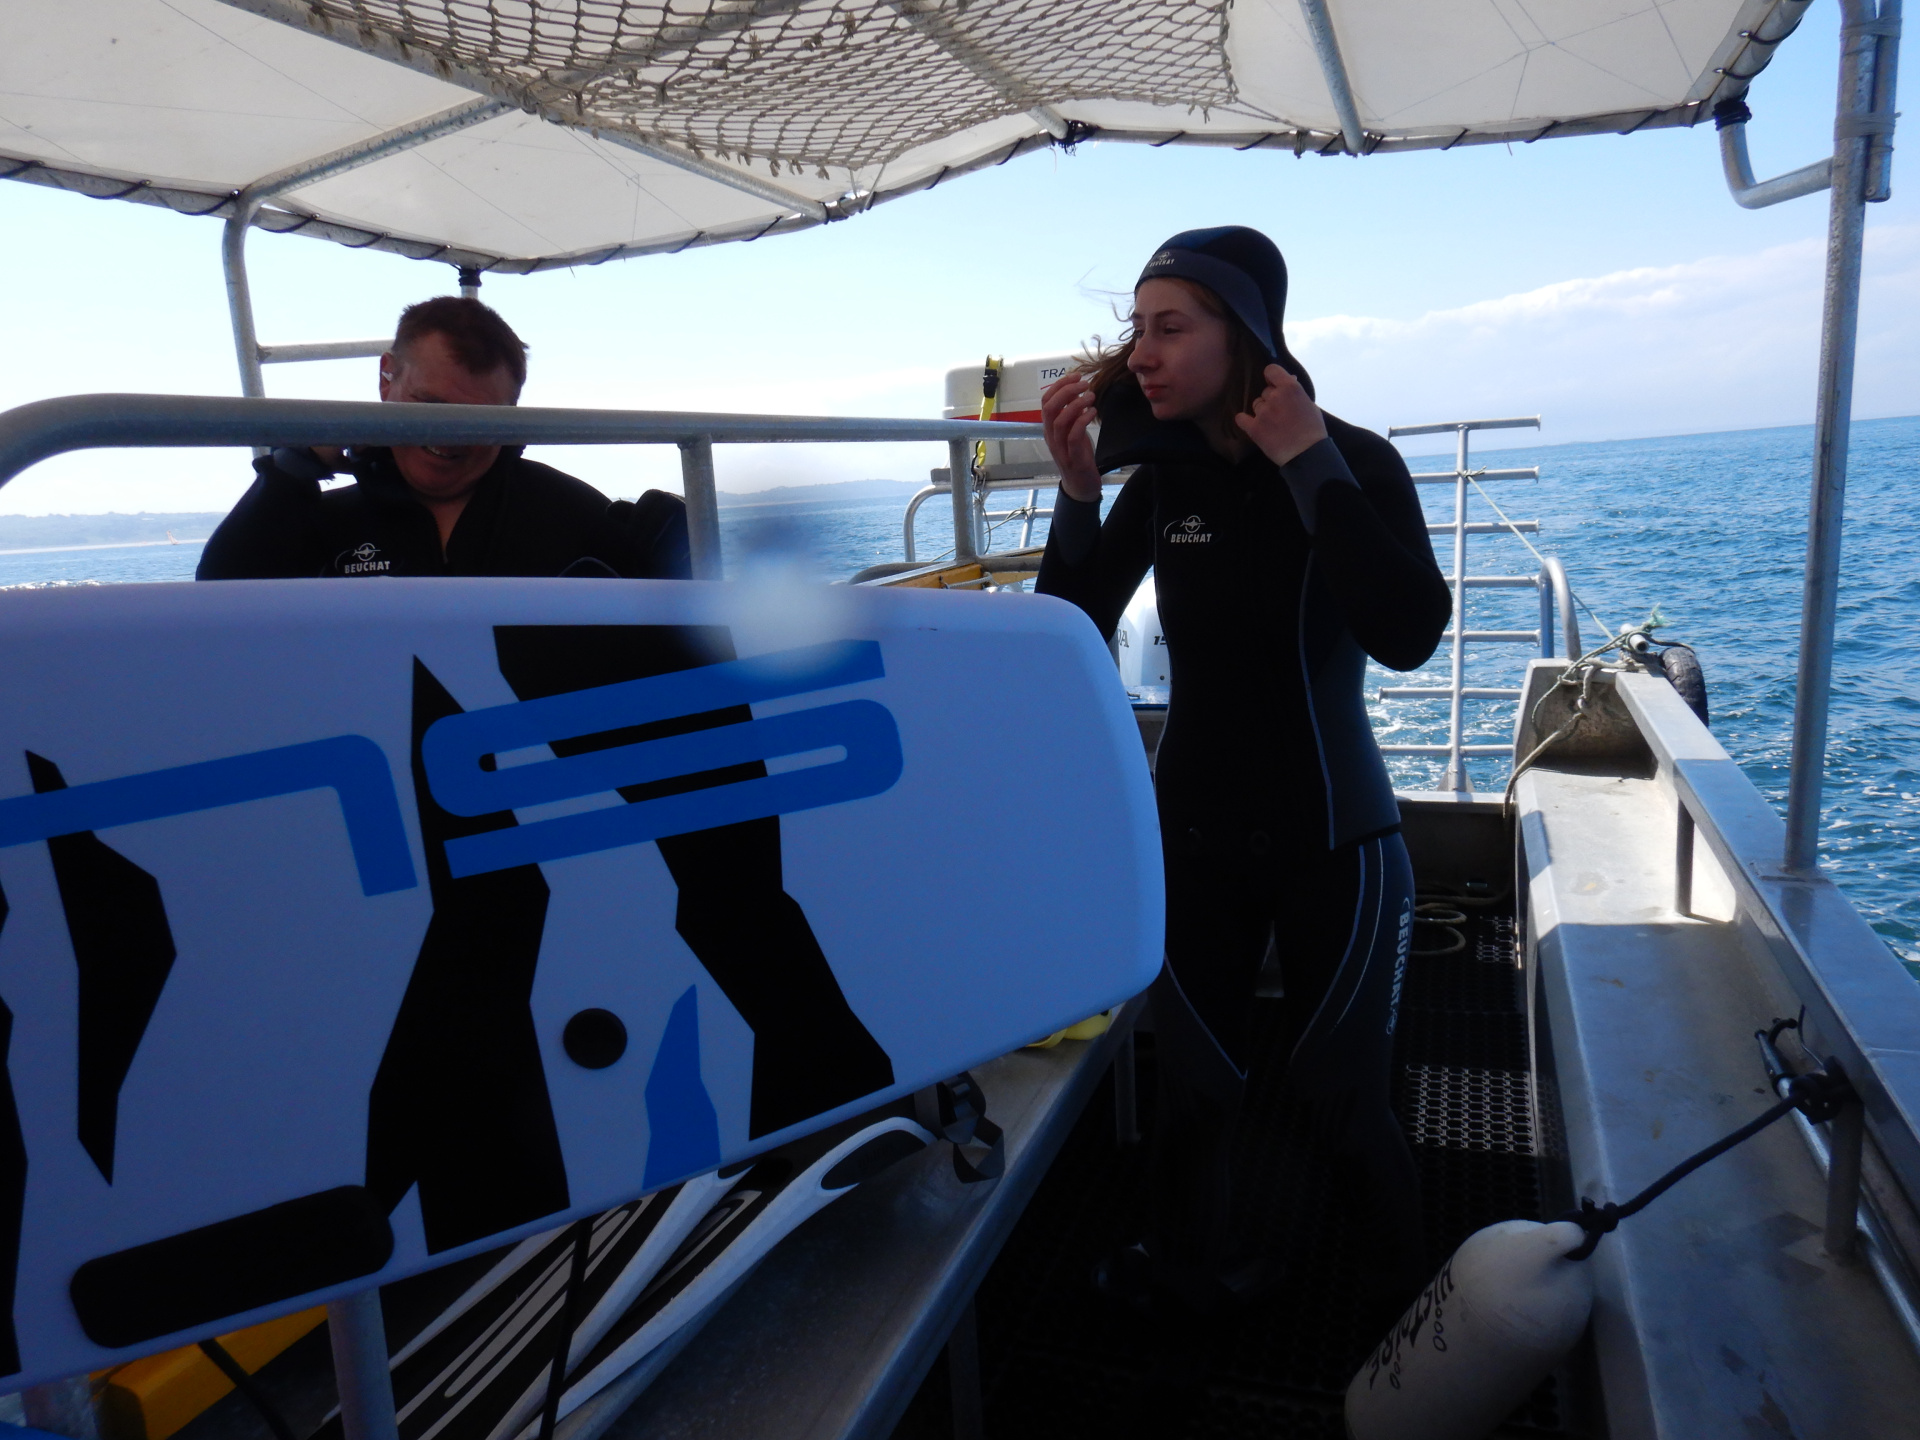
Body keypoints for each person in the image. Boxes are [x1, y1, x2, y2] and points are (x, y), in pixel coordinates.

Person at [199, 295, 895, 1254]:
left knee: (729, 913)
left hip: (567, 814)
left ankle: (828, 1124)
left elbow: (695, 630)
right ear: (385, 384)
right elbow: (213, 609)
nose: (447, 440)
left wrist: (690, 558)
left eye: (479, 422)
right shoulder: (326, 526)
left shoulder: (562, 512)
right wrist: (287, 472)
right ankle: (417, 1226)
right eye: (428, 408)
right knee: (465, 987)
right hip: (415, 833)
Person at [1036, 227, 1450, 1380]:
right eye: (1139, 329)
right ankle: (1189, 1285)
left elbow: (1410, 632)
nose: (1143, 353)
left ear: (1246, 334)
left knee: (1344, 1099)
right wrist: (1078, 496)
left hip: (1337, 836)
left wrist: (1310, 463)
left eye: (1171, 327)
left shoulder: (1352, 458)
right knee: (1197, 1094)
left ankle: (1413, 1334)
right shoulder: (1166, 479)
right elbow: (1071, 629)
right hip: (1197, 837)